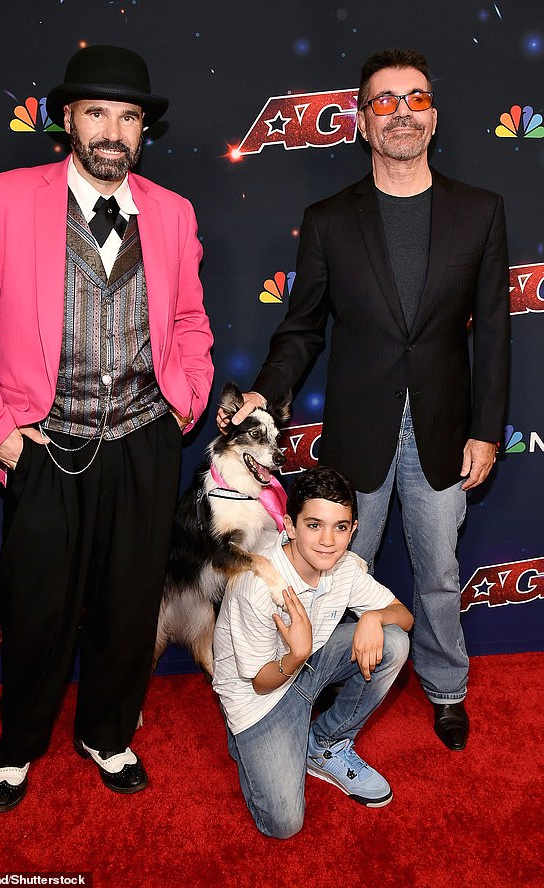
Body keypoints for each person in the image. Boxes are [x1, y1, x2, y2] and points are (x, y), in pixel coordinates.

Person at [0, 45, 214, 812]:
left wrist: (187, 397)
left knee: (129, 607)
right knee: (36, 609)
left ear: (143, 129)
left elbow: (190, 320)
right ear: (67, 120)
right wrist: (0, 434)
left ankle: (106, 732)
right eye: (97, 113)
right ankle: (19, 743)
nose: (113, 131)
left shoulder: (174, 211)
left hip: (146, 440)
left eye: (128, 116)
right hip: (45, 446)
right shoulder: (0, 199)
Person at [218, 48, 509, 752]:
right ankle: (313, 686)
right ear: (361, 121)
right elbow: (302, 326)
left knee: (439, 573)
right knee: (332, 573)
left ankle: (446, 688)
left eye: (415, 99)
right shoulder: (328, 218)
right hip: (358, 426)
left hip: (445, 427)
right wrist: (267, 387)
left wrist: (488, 429)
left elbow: (495, 333)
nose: (401, 112)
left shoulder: (481, 211)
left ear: (433, 117)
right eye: (385, 101)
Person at [212, 467, 412, 838]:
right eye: (314, 525)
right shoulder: (256, 586)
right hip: (261, 694)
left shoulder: (344, 567)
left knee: (394, 642)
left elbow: (404, 617)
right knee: (284, 825)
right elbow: (258, 683)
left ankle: (324, 743)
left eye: (340, 527)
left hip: (308, 665)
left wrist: (372, 616)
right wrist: (296, 654)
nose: (327, 541)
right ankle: (246, 739)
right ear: (289, 526)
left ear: (353, 531)